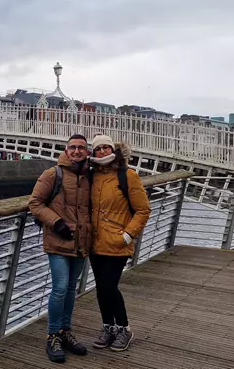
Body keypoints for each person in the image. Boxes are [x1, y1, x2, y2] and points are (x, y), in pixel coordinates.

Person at [28, 134, 91, 363]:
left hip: (81, 241)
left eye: (81, 148)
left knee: (71, 288)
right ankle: (53, 335)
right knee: (60, 287)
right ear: (66, 150)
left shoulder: (89, 176)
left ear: (87, 152)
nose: (76, 151)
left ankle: (65, 331)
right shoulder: (53, 174)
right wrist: (57, 222)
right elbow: (35, 203)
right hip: (58, 238)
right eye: (72, 147)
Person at [89, 134, 151, 352]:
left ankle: (124, 328)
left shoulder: (128, 176)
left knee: (109, 286)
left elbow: (143, 210)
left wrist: (127, 236)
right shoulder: (91, 176)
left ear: (113, 150)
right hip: (95, 242)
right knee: (101, 289)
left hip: (118, 242)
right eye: (98, 149)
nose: (102, 152)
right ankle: (108, 327)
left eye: (106, 147)